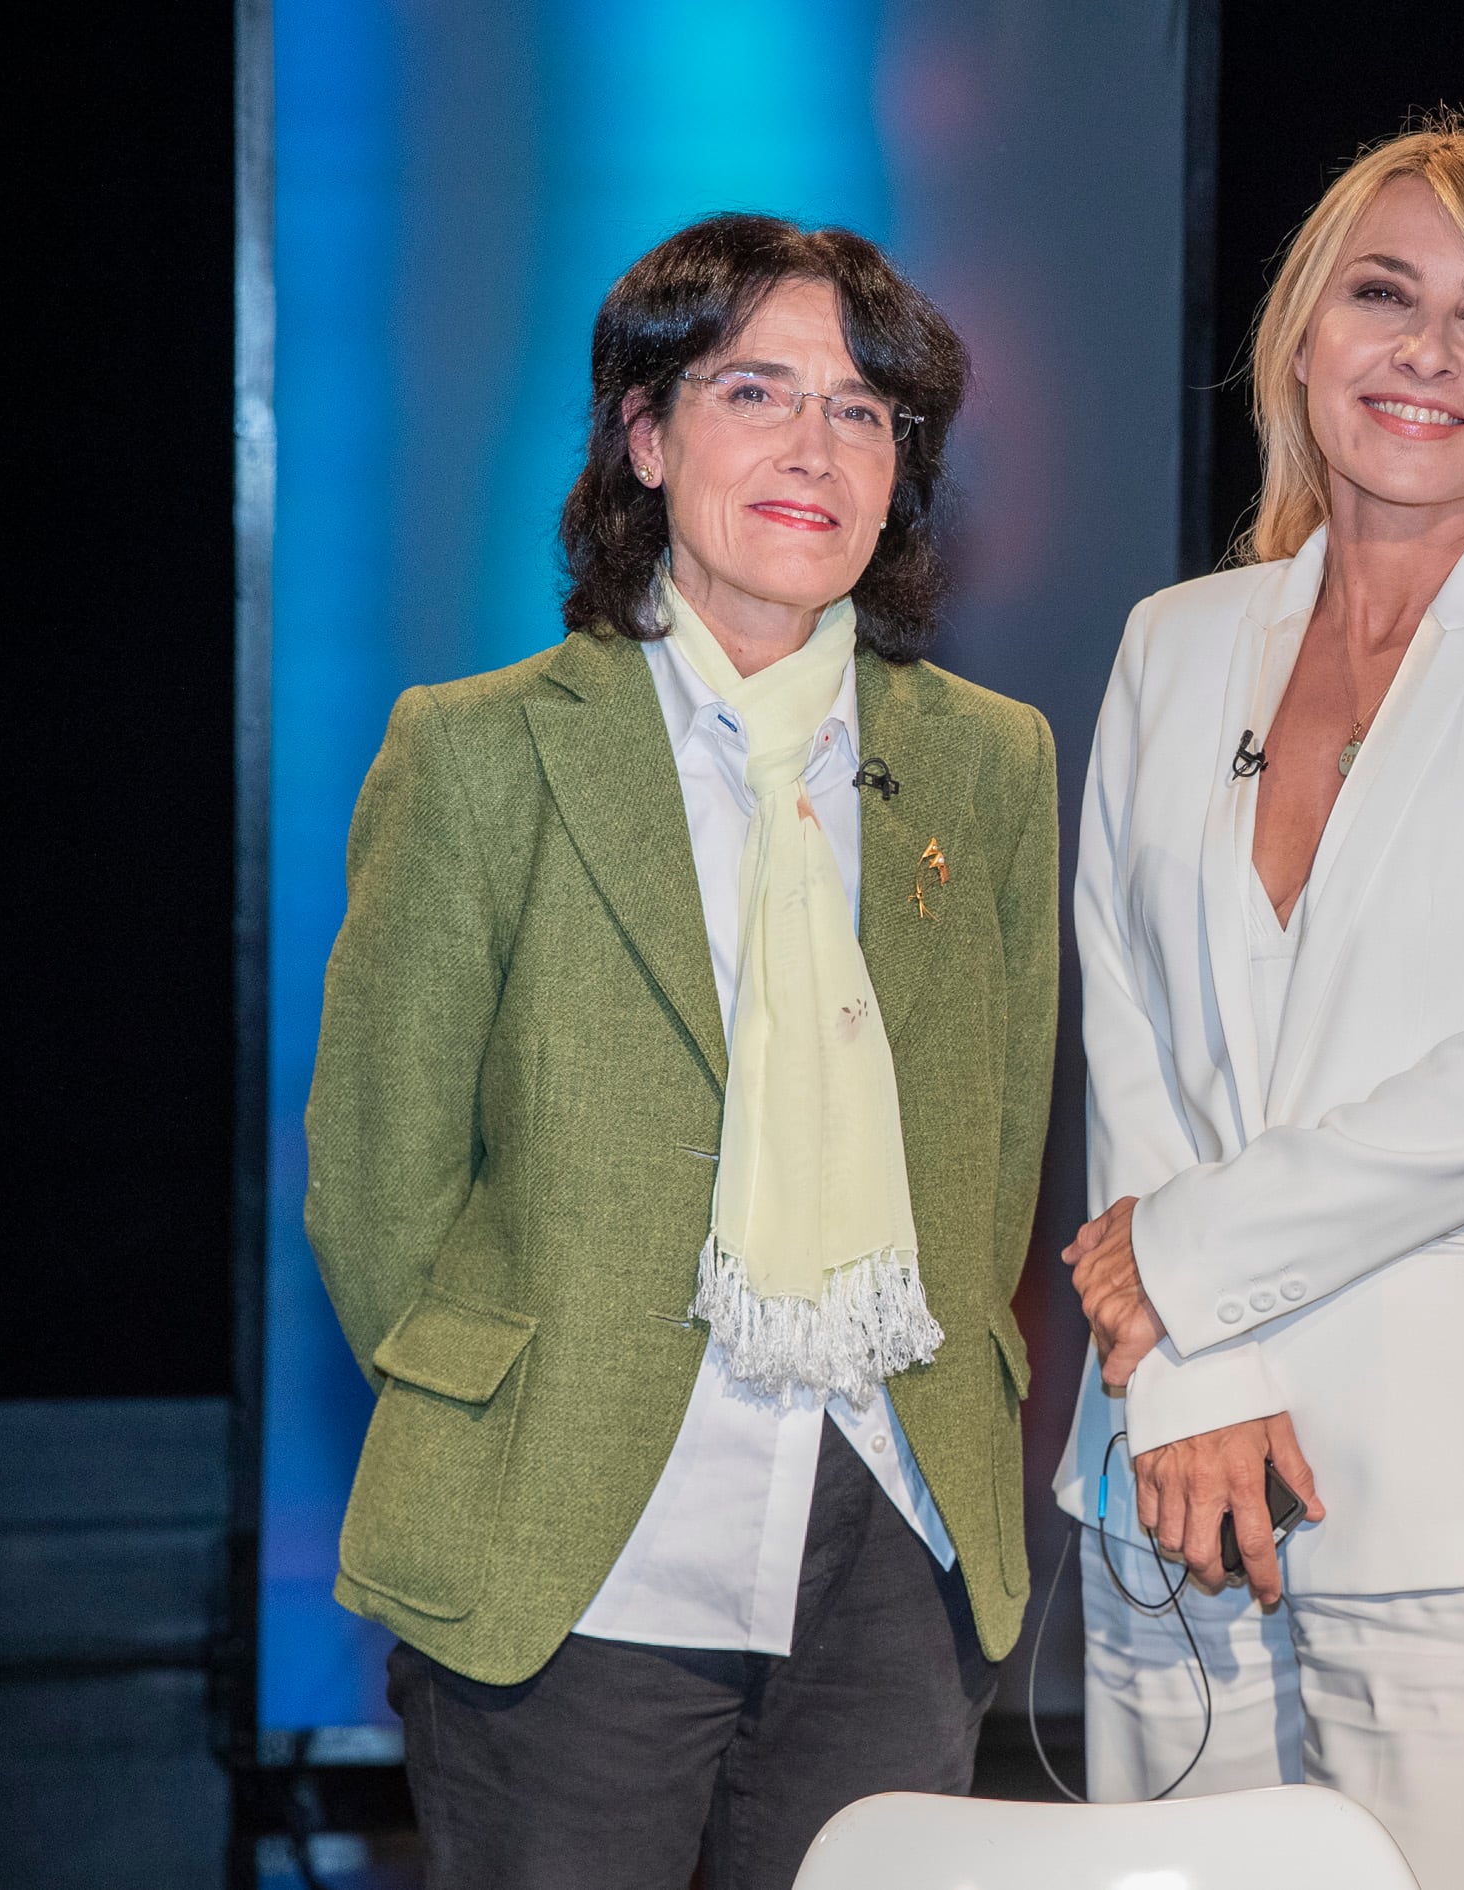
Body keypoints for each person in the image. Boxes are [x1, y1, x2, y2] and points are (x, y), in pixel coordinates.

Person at [306, 214, 1059, 1890]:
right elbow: (376, 1186)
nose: (815, 447)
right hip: (577, 1538)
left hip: (889, 1534)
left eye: (865, 411)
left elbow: (994, 1156)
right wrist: (519, 1400)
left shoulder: (989, 765)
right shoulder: (485, 753)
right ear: (646, 439)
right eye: (756, 392)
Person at [1052, 120, 1464, 1890]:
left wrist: (1177, 1275)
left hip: (1448, 1487)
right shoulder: (1173, 641)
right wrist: (1184, 1366)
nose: (1426, 350)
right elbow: (1125, 1019)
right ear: (1300, 339)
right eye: (1384, 293)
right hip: (1167, 1461)